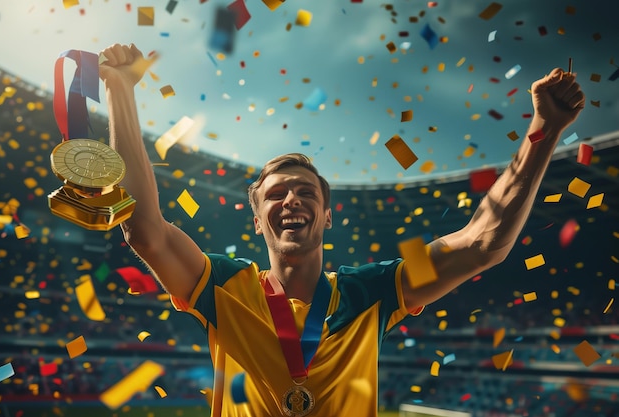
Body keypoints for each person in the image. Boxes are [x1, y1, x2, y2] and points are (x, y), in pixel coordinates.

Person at [98, 43, 585, 416]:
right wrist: (121, 90)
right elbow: (146, 232)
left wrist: (543, 130)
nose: (291, 199)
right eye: (276, 194)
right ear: (257, 217)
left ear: (327, 215)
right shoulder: (226, 287)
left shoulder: (375, 289)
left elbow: (482, 242)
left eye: (307, 192)